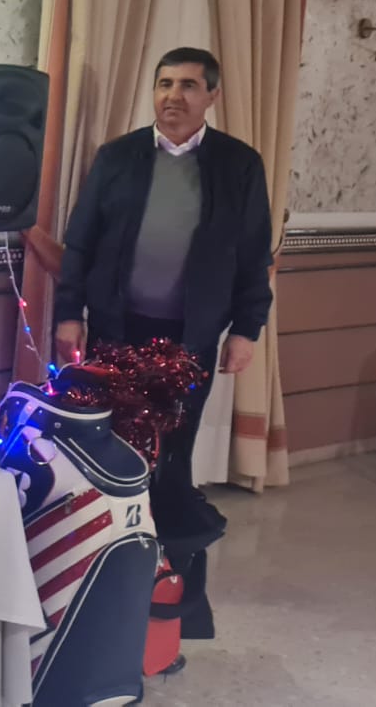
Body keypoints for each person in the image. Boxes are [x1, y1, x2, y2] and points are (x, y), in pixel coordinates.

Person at [52, 46, 274, 646]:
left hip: (190, 340)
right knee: (110, 452)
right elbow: (80, 241)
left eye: (188, 85)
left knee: (172, 457)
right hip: (116, 332)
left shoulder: (238, 165)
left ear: (211, 96)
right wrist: (68, 314)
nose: (173, 95)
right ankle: (100, 576)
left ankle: (168, 599)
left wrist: (247, 329)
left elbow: (254, 254)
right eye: (164, 83)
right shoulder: (118, 157)